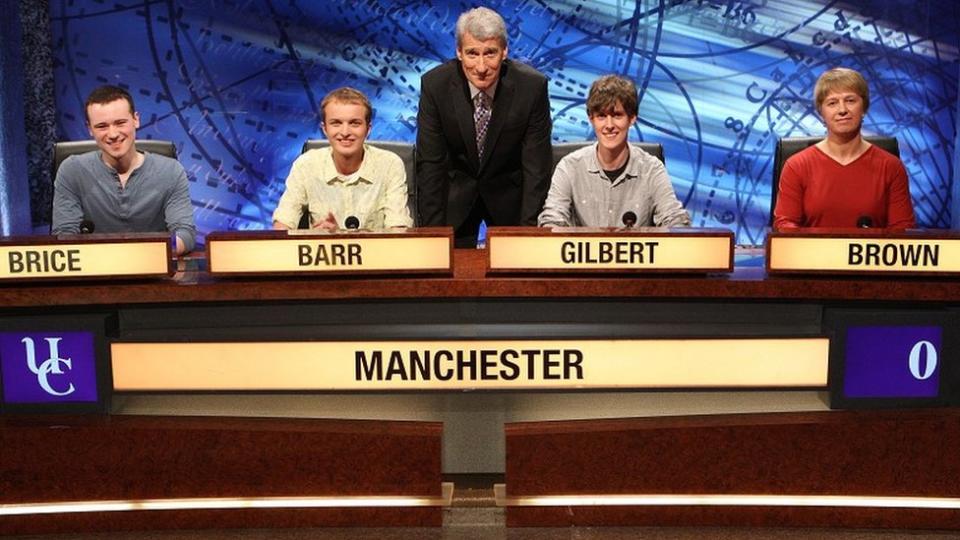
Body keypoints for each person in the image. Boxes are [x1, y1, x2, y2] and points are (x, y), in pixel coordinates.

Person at [416, 6, 552, 247]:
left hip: (510, 197)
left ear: (505, 51)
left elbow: (536, 167)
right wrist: (433, 236)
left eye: (490, 53)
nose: (480, 67)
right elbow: (431, 164)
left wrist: (529, 232)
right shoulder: (435, 85)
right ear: (458, 52)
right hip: (453, 196)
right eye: (472, 53)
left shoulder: (532, 87)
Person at [52, 85, 196, 254]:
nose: (113, 134)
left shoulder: (170, 171)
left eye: (120, 123)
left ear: (136, 120)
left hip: (156, 270)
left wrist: (147, 255)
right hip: (97, 272)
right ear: (90, 129)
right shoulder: (72, 170)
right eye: (102, 126)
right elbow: (64, 236)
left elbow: (184, 234)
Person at [538, 75, 690, 228]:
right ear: (591, 119)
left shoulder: (651, 169)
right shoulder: (569, 167)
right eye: (602, 116)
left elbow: (674, 219)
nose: (609, 125)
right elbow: (552, 219)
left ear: (631, 118)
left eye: (617, 115)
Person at [773, 67, 915, 229]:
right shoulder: (797, 166)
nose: (842, 110)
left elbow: (902, 230)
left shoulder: (891, 167)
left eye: (850, 101)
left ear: (864, 108)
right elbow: (785, 225)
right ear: (821, 113)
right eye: (832, 103)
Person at [272, 87, 412, 231]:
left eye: (354, 123)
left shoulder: (390, 165)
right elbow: (283, 224)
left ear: (368, 129)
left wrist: (341, 236)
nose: (345, 132)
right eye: (336, 123)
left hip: (379, 253)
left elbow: (398, 230)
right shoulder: (306, 165)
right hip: (320, 252)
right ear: (325, 129)